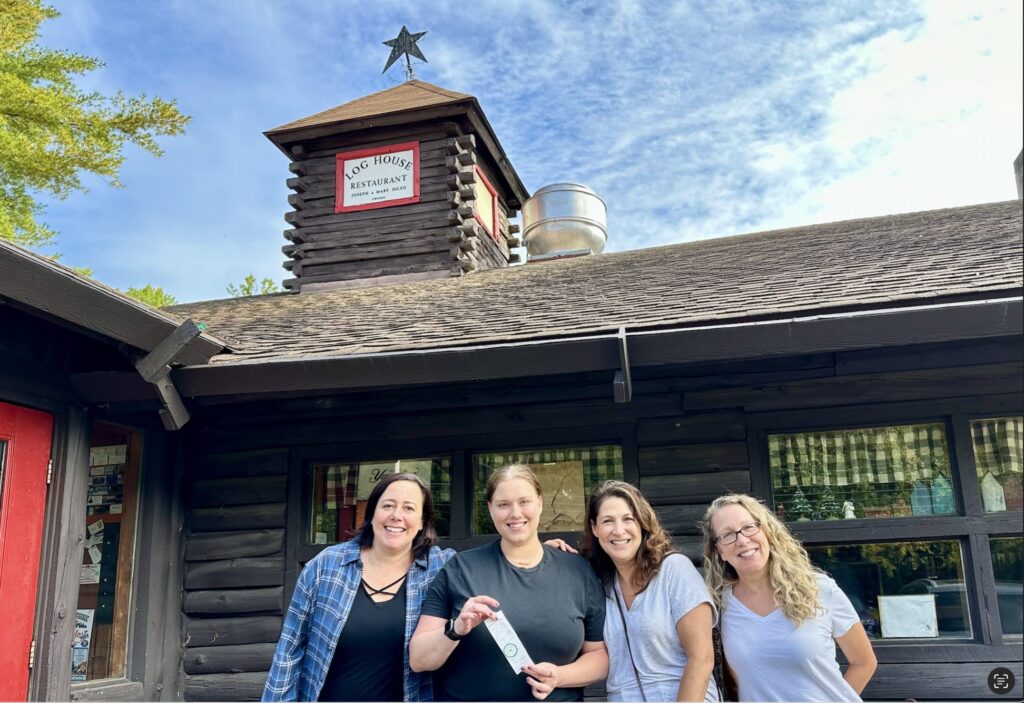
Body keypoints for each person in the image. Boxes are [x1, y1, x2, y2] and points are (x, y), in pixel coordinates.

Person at [410, 464, 608, 701]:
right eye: (503, 504)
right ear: (490, 509)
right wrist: (456, 628)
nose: (515, 513)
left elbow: (599, 656)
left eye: (524, 502)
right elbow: (419, 660)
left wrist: (559, 676)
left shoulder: (578, 570)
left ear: (540, 503)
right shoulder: (461, 569)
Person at [263, 472, 454, 702]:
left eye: (409, 508)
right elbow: (289, 651)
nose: (396, 516)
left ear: (423, 521)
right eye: (388, 505)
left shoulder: (439, 570)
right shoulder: (326, 566)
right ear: (372, 512)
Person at [701, 494, 877, 702]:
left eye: (749, 527)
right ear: (719, 550)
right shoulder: (719, 605)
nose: (742, 540)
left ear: (767, 531)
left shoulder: (818, 588)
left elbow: (864, 662)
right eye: (727, 535)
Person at [581, 480, 718, 702]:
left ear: (643, 524)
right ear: (595, 528)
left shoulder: (674, 569)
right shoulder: (598, 581)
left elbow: (701, 658)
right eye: (608, 521)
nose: (618, 530)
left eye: (628, 519)